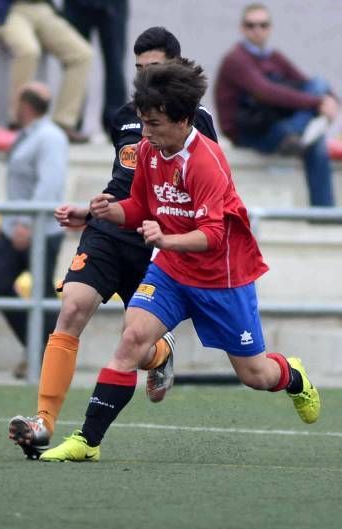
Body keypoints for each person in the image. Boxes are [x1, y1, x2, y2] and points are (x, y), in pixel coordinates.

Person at [39, 59, 320, 463]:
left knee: (256, 375)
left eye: (154, 124)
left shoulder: (206, 161)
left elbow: (214, 235)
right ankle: (88, 441)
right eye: (143, 122)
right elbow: (139, 205)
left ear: (183, 119)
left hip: (222, 279)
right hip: (171, 271)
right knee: (132, 340)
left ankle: (293, 376)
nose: (146, 133)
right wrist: (100, 212)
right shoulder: (150, 153)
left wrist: (166, 238)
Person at [8, 27, 218, 460]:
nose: (144, 79)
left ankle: (159, 354)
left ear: (175, 68)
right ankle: (43, 422)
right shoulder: (123, 115)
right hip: (109, 231)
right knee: (72, 309)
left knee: (135, 344)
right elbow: (125, 181)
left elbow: (196, 193)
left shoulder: (196, 125)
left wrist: (175, 235)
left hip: (154, 240)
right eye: (138, 70)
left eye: (153, 69)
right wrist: (93, 211)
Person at [215, 3, 338, 207]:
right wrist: (320, 103)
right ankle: (300, 134)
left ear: (270, 28)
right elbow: (266, 93)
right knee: (316, 107)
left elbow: (305, 83)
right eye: (251, 25)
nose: (257, 30)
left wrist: (329, 99)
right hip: (251, 132)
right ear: (242, 28)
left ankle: (324, 218)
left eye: (263, 25)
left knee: (318, 88)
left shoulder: (273, 57)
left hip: (276, 128)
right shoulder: (236, 59)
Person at [0, 82, 67, 380]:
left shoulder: (50, 138)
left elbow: (49, 184)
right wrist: (4, 223)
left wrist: (26, 223)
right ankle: (38, 349)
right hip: (16, 226)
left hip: (38, 230)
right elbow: (18, 186)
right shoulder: (29, 135)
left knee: (43, 292)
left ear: (25, 106)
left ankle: (51, 358)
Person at [0, 0, 93, 143]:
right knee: (28, 51)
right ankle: (19, 120)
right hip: (11, 10)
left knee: (82, 54)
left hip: (43, 8)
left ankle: (63, 123)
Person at [63, 0, 128, 137]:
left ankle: (115, 123)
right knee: (76, 59)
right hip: (76, 5)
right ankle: (71, 119)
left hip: (112, 5)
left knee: (115, 64)